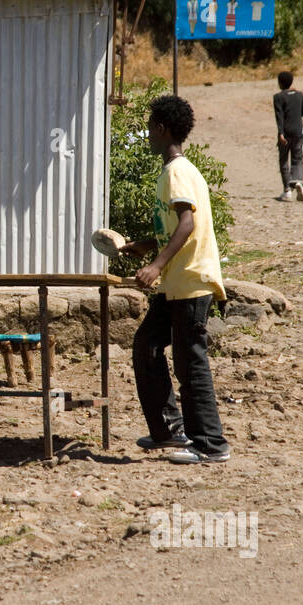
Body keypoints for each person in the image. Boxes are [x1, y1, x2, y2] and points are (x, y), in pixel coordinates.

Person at [120, 95, 230, 464]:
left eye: (150, 128)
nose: (147, 135)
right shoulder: (175, 171)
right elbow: (175, 229)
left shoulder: (177, 172)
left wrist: (155, 264)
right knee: (148, 346)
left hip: (190, 282)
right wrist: (146, 246)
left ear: (162, 129)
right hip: (175, 284)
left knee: (190, 363)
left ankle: (210, 444)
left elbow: (187, 223)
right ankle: (168, 432)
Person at [273, 70, 303, 201]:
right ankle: (297, 181)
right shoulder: (299, 95)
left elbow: (279, 117)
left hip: (286, 133)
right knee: (297, 159)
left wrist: (281, 133)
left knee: (283, 161)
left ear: (280, 83)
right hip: (299, 132)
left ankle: (287, 190)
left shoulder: (278, 97)